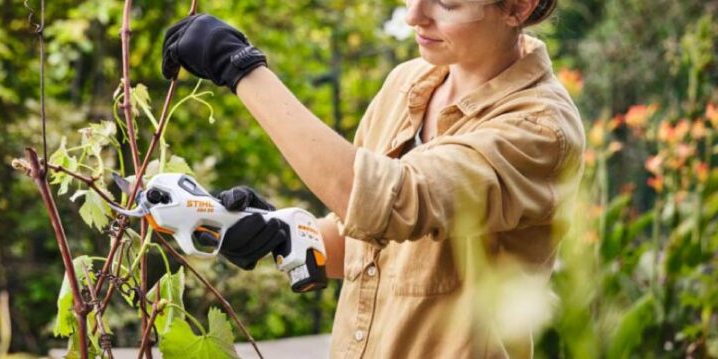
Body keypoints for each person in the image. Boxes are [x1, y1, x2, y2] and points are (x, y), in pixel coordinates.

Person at [161, 0, 584, 357]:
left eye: (447, 2)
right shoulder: (407, 83)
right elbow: (368, 244)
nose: (415, 15)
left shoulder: (540, 129)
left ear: (518, 7)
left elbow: (390, 200)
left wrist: (242, 69)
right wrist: (281, 231)